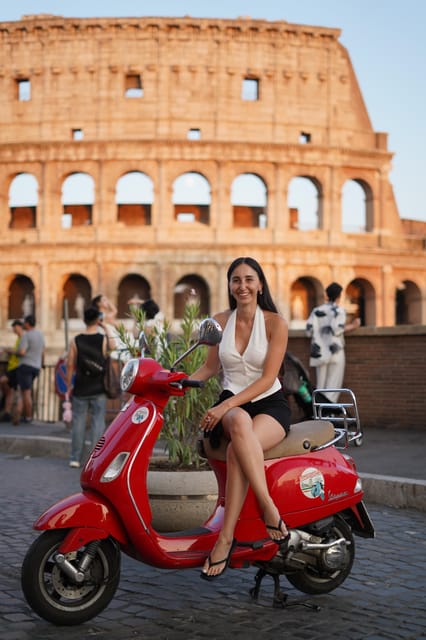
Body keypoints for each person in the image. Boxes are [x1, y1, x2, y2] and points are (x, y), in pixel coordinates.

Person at [190, 257, 291, 580]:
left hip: (270, 405)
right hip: (233, 409)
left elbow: (266, 379)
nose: (242, 286)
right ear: (229, 286)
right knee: (237, 422)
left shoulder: (276, 323)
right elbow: (209, 369)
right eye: (236, 280)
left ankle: (226, 537)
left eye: (249, 279)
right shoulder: (220, 322)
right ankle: (268, 508)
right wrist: (178, 382)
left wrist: (222, 407)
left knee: (237, 445)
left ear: (260, 284)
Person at [66, 306, 116, 468]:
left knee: (78, 422)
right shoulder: (102, 339)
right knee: (98, 422)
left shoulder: (76, 340)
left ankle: (75, 458)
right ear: (97, 320)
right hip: (98, 386)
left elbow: (70, 364)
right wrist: (105, 327)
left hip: (81, 386)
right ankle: (94, 459)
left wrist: (68, 385)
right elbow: (113, 346)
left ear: (83, 320)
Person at [306, 282, 361, 402]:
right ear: (339, 296)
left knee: (320, 386)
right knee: (333, 386)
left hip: (319, 352)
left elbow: (309, 330)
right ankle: (329, 414)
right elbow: (337, 329)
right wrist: (353, 326)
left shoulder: (316, 311)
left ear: (327, 295)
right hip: (335, 352)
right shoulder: (339, 311)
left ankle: (319, 414)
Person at [15, 315, 45, 423]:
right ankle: (22, 414)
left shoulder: (26, 336)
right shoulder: (40, 335)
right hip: (36, 366)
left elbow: (22, 352)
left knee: (26, 392)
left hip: (26, 365)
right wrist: (42, 364)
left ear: (27, 323)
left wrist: (12, 352)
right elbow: (43, 352)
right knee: (26, 391)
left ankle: (27, 416)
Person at [0, 320, 25, 422]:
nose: (13, 330)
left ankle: (14, 413)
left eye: (14, 327)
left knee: (4, 382)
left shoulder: (23, 338)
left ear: (19, 327)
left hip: (16, 368)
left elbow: (20, 352)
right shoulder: (19, 339)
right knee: (9, 389)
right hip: (12, 367)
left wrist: (7, 350)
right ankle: (7, 412)